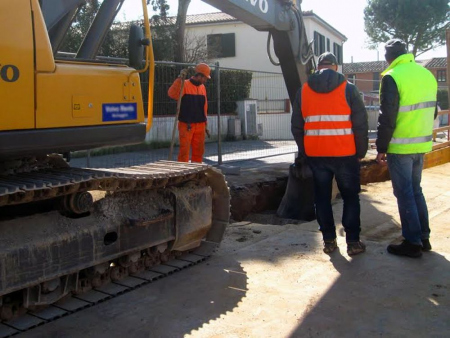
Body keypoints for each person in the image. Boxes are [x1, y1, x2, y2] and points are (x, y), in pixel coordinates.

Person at [292, 52, 368, 255]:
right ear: (335, 67)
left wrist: (305, 151)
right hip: (345, 153)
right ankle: (352, 243)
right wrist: (361, 151)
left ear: (318, 67)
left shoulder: (304, 90)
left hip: (317, 155)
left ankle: (329, 242)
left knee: (322, 199)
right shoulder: (349, 89)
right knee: (351, 197)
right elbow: (360, 124)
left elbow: (297, 126)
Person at [376, 39, 438, 258]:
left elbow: (387, 116)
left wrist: (381, 147)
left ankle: (412, 242)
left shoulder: (392, 76)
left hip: (401, 146)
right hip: (421, 143)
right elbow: (434, 111)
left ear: (388, 58)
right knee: (415, 190)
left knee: (404, 193)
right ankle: (423, 237)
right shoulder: (426, 74)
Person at [168, 63, 211, 163]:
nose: (205, 80)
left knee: (199, 152)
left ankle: (196, 173)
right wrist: (179, 80)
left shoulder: (202, 88)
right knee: (184, 152)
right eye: (204, 78)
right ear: (199, 75)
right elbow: (172, 94)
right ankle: (183, 174)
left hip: (200, 125)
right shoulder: (184, 84)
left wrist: (205, 124)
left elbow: (204, 107)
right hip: (186, 125)